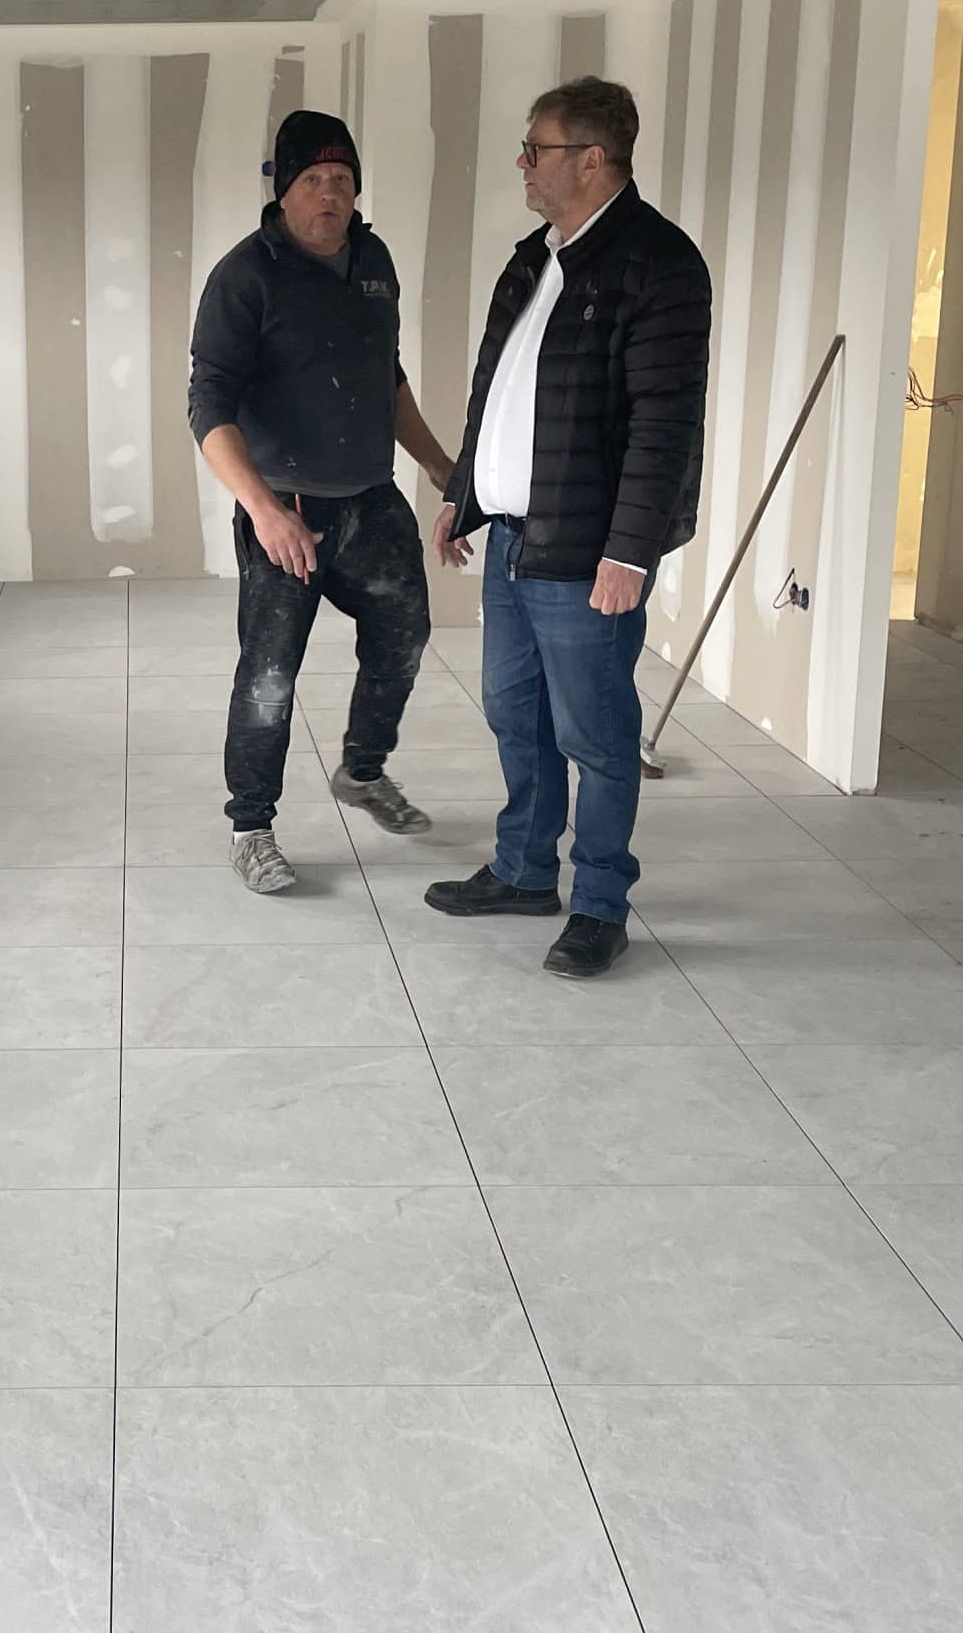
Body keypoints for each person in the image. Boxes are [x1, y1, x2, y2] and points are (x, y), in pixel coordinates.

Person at [427, 77, 711, 977]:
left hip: (587, 550)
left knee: (594, 731)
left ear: (591, 159)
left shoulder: (656, 264)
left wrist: (630, 551)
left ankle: (598, 904)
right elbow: (497, 390)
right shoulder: (534, 258)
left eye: (535, 149)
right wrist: (464, 492)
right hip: (514, 537)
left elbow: (665, 424)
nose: (521, 163)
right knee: (515, 712)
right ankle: (522, 871)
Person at [188, 110, 459, 895]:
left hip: (370, 500)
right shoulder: (246, 275)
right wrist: (264, 510)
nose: (330, 194)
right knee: (269, 676)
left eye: (341, 180)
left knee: (403, 638)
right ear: (283, 189)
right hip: (289, 508)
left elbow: (386, 376)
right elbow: (208, 406)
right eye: (313, 180)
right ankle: (250, 828)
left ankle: (362, 772)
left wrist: (439, 466)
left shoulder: (372, 260)